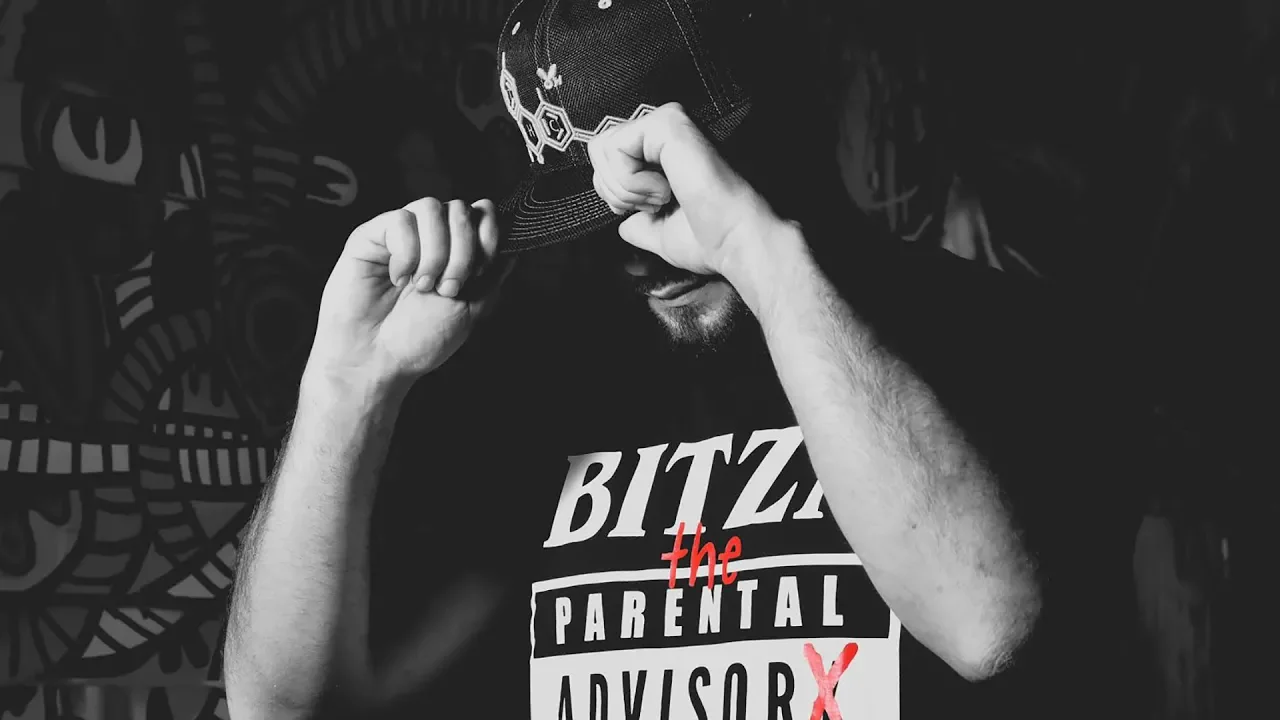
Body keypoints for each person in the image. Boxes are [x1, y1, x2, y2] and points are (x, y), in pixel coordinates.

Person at [223, 1, 1150, 718]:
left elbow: (987, 625)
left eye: (667, 189)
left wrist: (758, 251)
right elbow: (283, 707)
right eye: (596, 213)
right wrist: (343, 388)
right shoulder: (549, 389)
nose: (636, 249)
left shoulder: (1004, 335)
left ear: (788, 119)